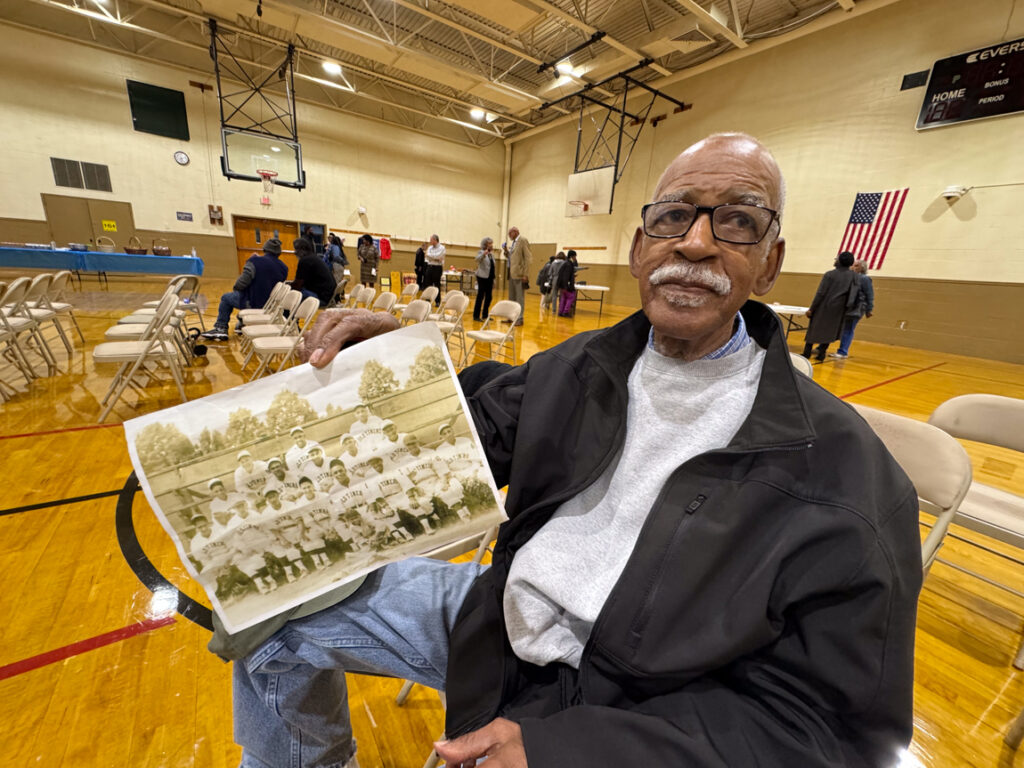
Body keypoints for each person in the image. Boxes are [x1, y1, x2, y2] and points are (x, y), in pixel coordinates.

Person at [231, 133, 921, 768]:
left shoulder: (844, 476)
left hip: (638, 707)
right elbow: (467, 438)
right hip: (500, 620)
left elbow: (827, 729)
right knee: (267, 615)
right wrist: (401, 368)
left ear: (769, 264)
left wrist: (571, 749)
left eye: (737, 221)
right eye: (674, 217)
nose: (697, 243)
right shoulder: (580, 365)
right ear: (639, 249)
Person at [202, 238, 287, 341]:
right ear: (279, 253)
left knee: (226, 298)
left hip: (252, 303)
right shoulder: (284, 267)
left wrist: (249, 262)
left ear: (264, 249)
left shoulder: (255, 261)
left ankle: (221, 328)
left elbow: (241, 283)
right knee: (243, 295)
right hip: (271, 306)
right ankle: (241, 324)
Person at [801, 250, 860, 362]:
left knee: (814, 328)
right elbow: (854, 294)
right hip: (840, 309)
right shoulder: (854, 276)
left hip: (825, 306)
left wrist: (812, 308)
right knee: (830, 331)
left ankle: (807, 352)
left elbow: (820, 293)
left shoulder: (830, 274)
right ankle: (821, 354)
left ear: (840, 261)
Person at [833, 258, 875, 359]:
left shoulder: (864, 279)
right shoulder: (849, 276)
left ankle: (843, 351)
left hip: (857, 308)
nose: (853, 267)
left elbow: (870, 295)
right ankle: (823, 347)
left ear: (862, 268)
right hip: (846, 307)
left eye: (856, 266)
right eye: (853, 265)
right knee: (838, 327)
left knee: (848, 329)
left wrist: (869, 309)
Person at [293, 237, 337, 306]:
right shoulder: (314, 257)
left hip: (321, 298)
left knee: (292, 296)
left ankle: (287, 316)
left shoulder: (305, 261)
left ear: (301, 249)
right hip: (328, 296)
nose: (294, 252)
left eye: (295, 250)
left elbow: (297, 286)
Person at [502, 225, 532, 326]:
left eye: (510, 234)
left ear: (515, 232)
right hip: (511, 273)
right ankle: (511, 317)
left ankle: (520, 318)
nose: (509, 236)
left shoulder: (523, 240)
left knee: (519, 298)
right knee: (511, 297)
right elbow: (511, 258)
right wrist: (506, 251)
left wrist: (525, 274)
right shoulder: (513, 243)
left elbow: (528, 258)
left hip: (520, 274)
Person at [473, 236, 496, 322]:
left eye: (491, 243)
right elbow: (477, 260)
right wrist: (484, 254)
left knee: (489, 297)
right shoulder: (481, 252)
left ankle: (485, 315)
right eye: (489, 243)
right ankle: (476, 315)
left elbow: (493, 267)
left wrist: (494, 279)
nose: (491, 245)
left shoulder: (492, 255)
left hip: (490, 278)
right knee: (480, 296)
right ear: (485, 244)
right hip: (482, 277)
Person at [424, 234, 446, 306]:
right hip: (429, 267)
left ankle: (437, 301)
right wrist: (436, 259)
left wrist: (433, 257)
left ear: (435, 240)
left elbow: (438, 256)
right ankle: (427, 300)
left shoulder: (442, 248)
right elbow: (427, 257)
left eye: (431, 240)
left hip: (437, 268)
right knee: (427, 284)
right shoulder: (430, 247)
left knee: (437, 285)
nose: (430, 241)